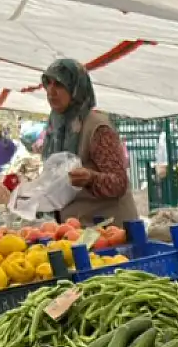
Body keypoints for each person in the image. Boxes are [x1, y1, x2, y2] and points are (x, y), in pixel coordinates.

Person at [39, 59, 136, 224]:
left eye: (59, 85)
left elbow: (119, 183)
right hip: (76, 230)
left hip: (110, 231)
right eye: (48, 84)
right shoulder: (57, 127)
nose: (51, 91)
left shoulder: (97, 127)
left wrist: (91, 178)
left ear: (76, 89)